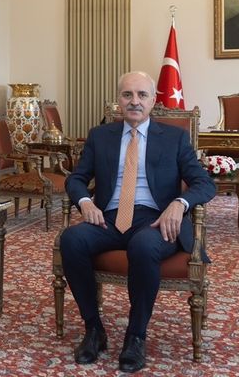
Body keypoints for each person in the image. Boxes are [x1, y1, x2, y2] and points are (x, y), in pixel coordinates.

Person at [59, 71, 215, 373]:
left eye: (142, 95)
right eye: (127, 94)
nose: (134, 101)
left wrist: (179, 204)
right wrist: (86, 202)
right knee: (71, 239)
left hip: (155, 220)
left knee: (143, 246)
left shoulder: (174, 138)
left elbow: (204, 183)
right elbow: (76, 178)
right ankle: (94, 329)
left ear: (153, 100)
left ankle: (136, 336)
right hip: (109, 217)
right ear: (118, 100)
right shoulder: (100, 136)